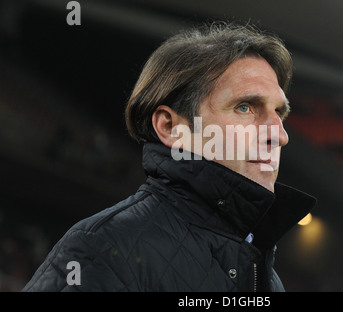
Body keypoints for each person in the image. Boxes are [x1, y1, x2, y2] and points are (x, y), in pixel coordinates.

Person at [22, 21, 316, 292]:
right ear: (171, 127)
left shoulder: (267, 278)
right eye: (245, 107)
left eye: (279, 112)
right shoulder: (102, 249)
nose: (279, 134)